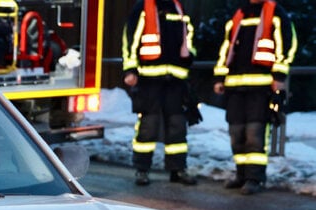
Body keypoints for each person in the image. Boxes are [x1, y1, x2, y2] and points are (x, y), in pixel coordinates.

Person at [213, 0, 297, 195]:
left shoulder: (275, 12)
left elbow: (286, 44)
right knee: (236, 133)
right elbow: (226, 48)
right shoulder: (239, 14)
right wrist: (219, 77)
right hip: (235, 86)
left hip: (261, 87)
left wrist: (279, 76)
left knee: (255, 134)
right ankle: (241, 174)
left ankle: (254, 178)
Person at [121, 0, 197, 186]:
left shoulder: (179, 8)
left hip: (176, 80)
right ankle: (142, 170)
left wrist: (190, 56)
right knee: (149, 126)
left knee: (177, 126)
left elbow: (190, 38)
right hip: (149, 80)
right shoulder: (143, 7)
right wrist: (130, 69)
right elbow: (130, 39)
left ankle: (178, 169)